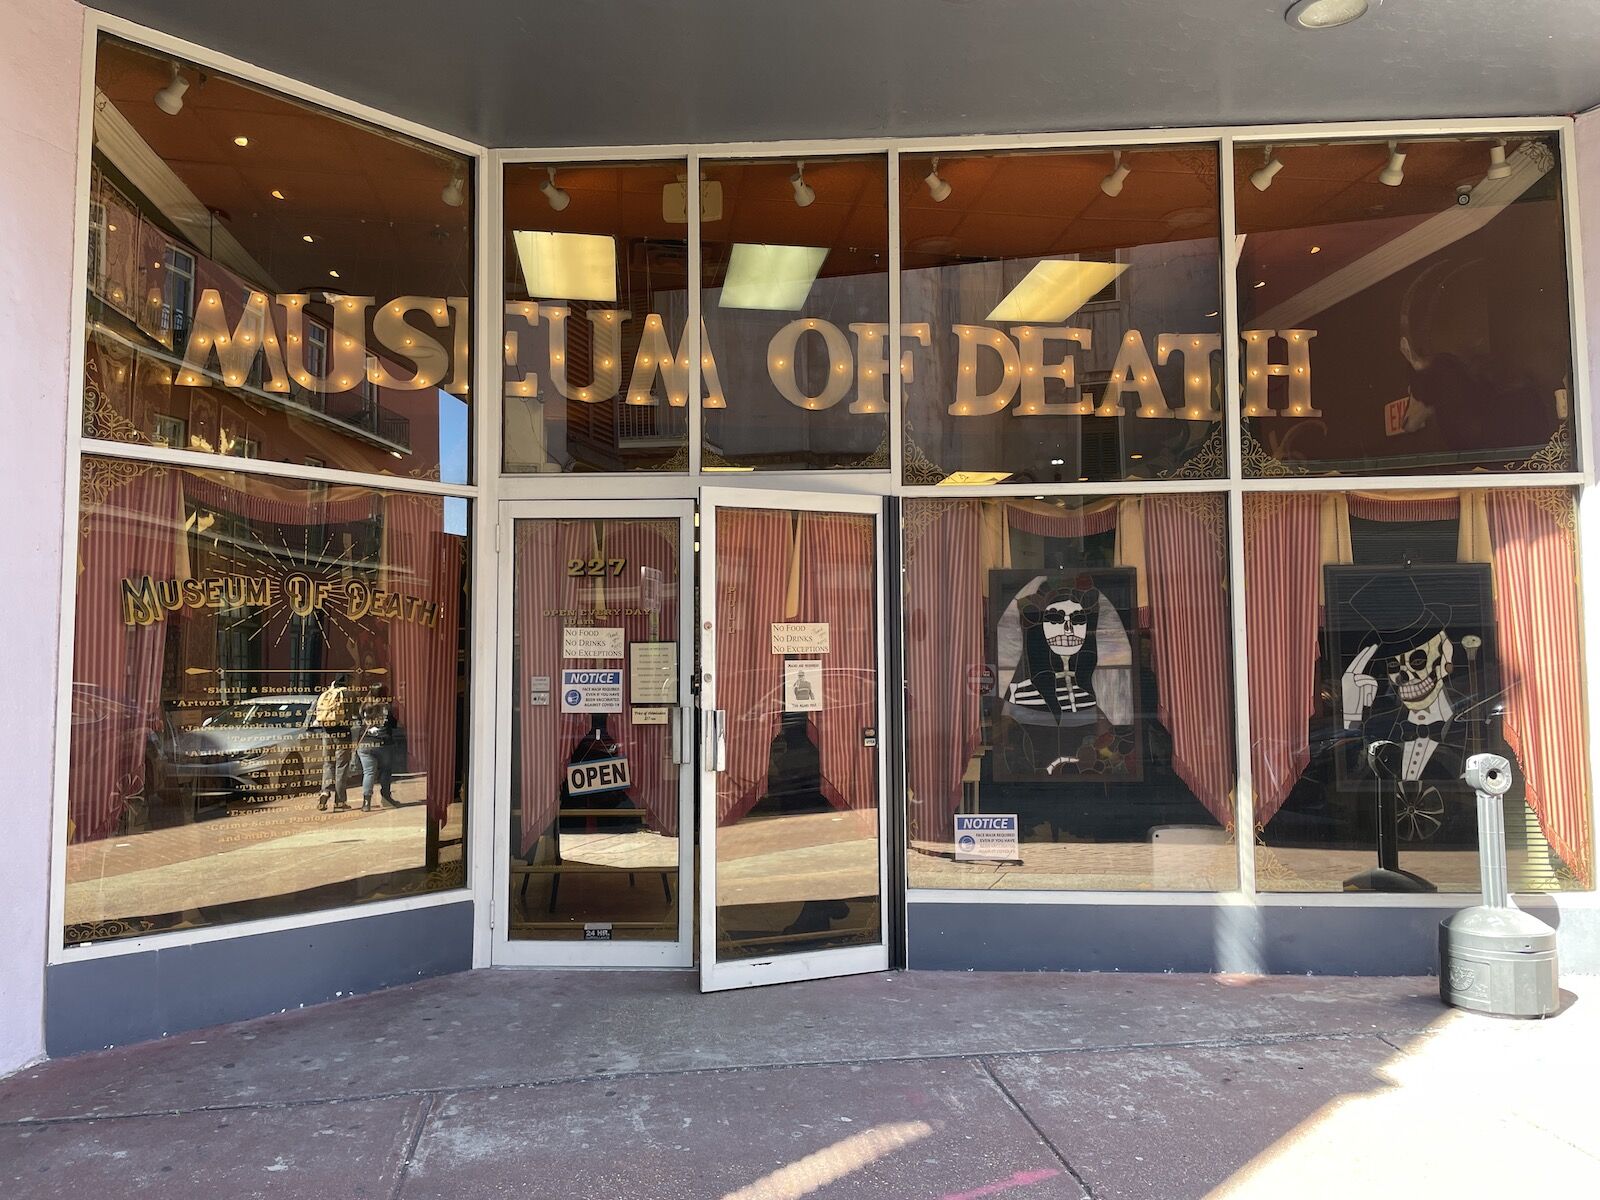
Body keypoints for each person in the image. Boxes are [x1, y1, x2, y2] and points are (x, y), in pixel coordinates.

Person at [312, 675, 353, 811]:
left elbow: (315, 713)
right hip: (343, 735)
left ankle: (325, 791)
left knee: (328, 764)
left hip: (326, 733)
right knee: (341, 767)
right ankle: (339, 802)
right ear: (347, 681)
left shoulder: (324, 694)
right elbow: (356, 713)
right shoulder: (348, 693)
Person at [356, 687, 400, 811]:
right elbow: (394, 724)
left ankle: (366, 802)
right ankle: (386, 797)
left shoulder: (364, 706)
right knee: (385, 771)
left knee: (368, 772)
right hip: (384, 743)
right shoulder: (388, 707)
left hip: (365, 744)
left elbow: (360, 722)